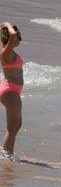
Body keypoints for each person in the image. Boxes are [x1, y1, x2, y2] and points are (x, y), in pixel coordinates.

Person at [1, 22, 24, 158]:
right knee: (12, 127)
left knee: (17, 125)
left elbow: (13, 35)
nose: (19, 38)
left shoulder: (8, 51)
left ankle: (6, 151)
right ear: (11, 38)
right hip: (9, 91)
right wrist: (8, 25)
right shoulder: (6, 52)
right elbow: (13, 34)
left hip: (13, 91)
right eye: (18, 36)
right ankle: (7, 156)